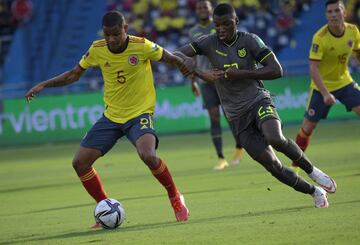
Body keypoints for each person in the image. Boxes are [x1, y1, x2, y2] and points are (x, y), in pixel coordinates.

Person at [25, 11, 193, 226]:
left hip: (139, 113)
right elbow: (74, 74)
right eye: (107, 35)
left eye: (115, 34)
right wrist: (44, 84)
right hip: (111, 117)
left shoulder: (141, 45)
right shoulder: (98, 49)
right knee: (80, 163)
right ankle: (106, 207)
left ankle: (175, 196)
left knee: (148, 155)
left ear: (125, 29)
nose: (111, 40)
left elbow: (170, 58)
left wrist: (186, 65)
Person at [175, 3, 337, 208]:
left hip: (257, 100)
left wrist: (241, 73)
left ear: (236, 22)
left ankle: (313, 171)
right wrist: (199, 73)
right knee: (273, 165)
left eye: (226, 24)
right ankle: (314, 191)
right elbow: (175, 55)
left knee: (274, 137)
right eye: (217, 25)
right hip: (236, 116)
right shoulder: (207, 42)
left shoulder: (249, 41)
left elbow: (276, 70)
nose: (221, 28)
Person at [292, 0, 360, 171]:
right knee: (307, 128)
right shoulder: (320, 37)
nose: (333, 14)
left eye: (337, 10)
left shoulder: (353, 31)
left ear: (344, 12)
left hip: (344, 82)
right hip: (321, 86)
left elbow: (358, 54)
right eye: (330, 12)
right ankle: (295, 166)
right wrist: (325, 93)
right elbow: (313, 68)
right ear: (326, 15)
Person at [189, 0, 244, 170]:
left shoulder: (221, 26)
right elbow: (192, 56)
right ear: (196, 11)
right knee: (214, 117)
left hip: (224, 76)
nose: (202, 10)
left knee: (230, 115)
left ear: (210, 9)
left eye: (205, 7)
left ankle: (239, 147)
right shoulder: (193, 31)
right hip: (206, 79)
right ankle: (221, 158)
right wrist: (193, 81)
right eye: (199, 8)